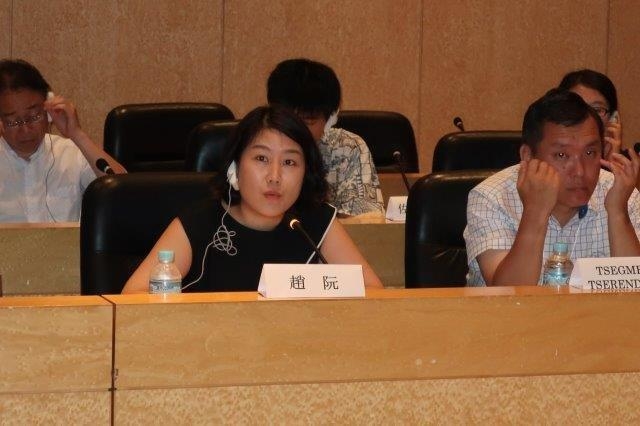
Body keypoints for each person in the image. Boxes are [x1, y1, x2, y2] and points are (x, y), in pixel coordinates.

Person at [122, 105, 384, 293]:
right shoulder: (200, 223)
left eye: (290, 162)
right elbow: (134, 295)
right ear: (235, 167)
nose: (275, 176)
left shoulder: (315, 223)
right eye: (261, 158)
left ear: (306, 173)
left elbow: (373, 292)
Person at [464, 89, 640, 286]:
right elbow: (508, 293)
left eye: (590, 153)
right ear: (528, 156)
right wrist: (535, 212)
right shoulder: (491, 197)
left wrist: (618, 212)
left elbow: (635, 294)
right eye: (561, 155)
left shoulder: (622, 194)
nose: (579, 171)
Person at [0, 59, 126, 222]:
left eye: (34, 116)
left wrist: (77, 134)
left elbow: (124, 193)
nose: (25, 129)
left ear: (48, 111)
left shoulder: (72, 153)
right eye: (13, 121)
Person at [266, 58, 385, 218]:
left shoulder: (347, 147)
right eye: (288, 119)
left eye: (308, 121)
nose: (295, 129)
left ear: (329, 120)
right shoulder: (253, 145)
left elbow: (364, 221)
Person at [558, 69, 622, 156]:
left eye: (597, 110)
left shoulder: (632, 163)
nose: (588, 117)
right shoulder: (547, 159)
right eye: (577, 107)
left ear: (613, 119)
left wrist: (612, 160)